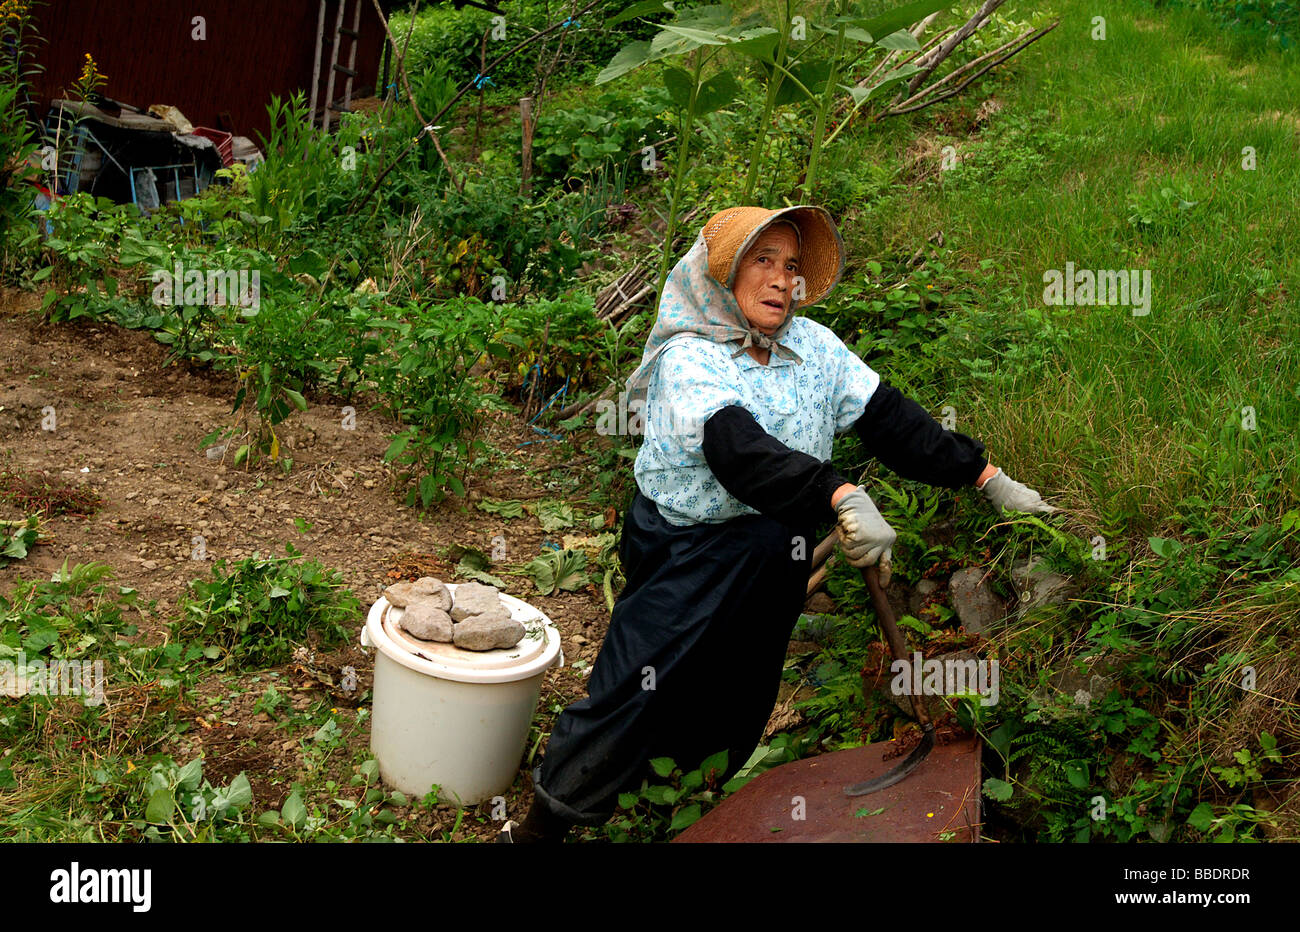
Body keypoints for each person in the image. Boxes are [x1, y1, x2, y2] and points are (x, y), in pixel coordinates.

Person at [498, 205, 1056, 843]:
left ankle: (682, 808)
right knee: (636, 686)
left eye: (791, 267)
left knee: (741, 686)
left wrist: (983, 475)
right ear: (724, 273)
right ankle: (544, 827)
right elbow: (737, 450)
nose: (780, 280)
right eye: (761, 261)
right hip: (686, 545)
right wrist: (838, 493)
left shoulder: (815, 348)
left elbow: (892, 423)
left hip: (774, 542)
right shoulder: (690, 357)